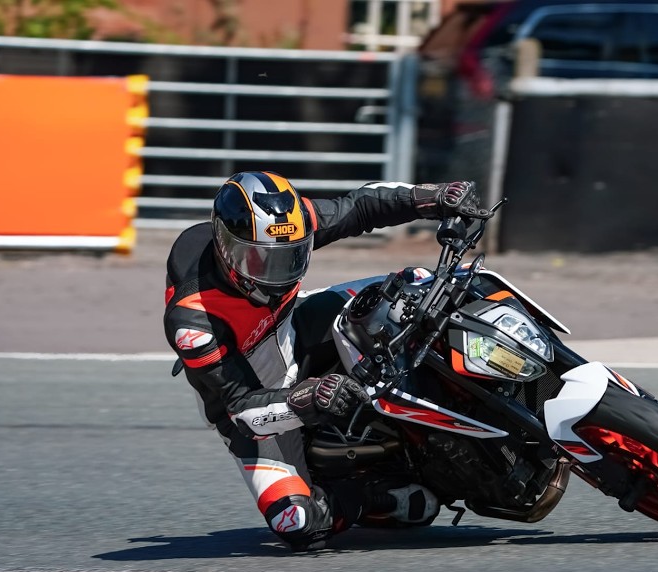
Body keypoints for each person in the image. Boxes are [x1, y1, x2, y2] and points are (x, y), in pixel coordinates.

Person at [162, 172, 493, 552]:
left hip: (293, 329)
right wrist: (307, 398)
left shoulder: (285, 224)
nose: (279, 274)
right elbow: (237, 408)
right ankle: (378, 499)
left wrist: (432, 195)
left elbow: (360, 206)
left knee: (411, 292)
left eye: (291, 257)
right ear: (225, 248)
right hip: (256, 400)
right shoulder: (193, 321)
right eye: (263, 261)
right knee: (296, 521)